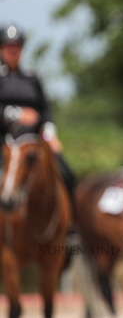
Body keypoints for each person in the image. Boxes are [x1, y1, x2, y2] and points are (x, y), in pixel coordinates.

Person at [0, 24, 76, 197]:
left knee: (67, 174)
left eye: (17, 47)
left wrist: (49, 135)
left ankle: (71, 215)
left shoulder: (32, 76)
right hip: (5, 140)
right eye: (8, 47)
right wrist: (17, 114)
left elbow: (45, 108)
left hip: (35, 140)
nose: (13, 51)